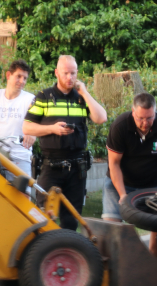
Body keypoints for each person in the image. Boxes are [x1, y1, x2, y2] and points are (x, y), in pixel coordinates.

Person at [23, 55, 108, 230]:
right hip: (51, 166)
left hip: (77, 168)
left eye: (73, 73)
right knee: (43, 219)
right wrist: (52, 129)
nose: (70, 77)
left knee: (71, 220)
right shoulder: (44, 96)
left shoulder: (81, 98)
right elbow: (27, 127)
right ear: (56, 73)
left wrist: (84, 92)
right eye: (65, 73)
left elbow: (101, 118)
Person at [103, 92, 157, 259]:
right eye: (140, 118)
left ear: (155, 113)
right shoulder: (120, 126)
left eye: (150, 118)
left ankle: (155, 275)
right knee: (111, 232)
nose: (145, 123)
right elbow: (114, 163)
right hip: (121, 181)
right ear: (133, 112)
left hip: (155, 183)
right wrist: (123, 195)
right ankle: (114, 275)